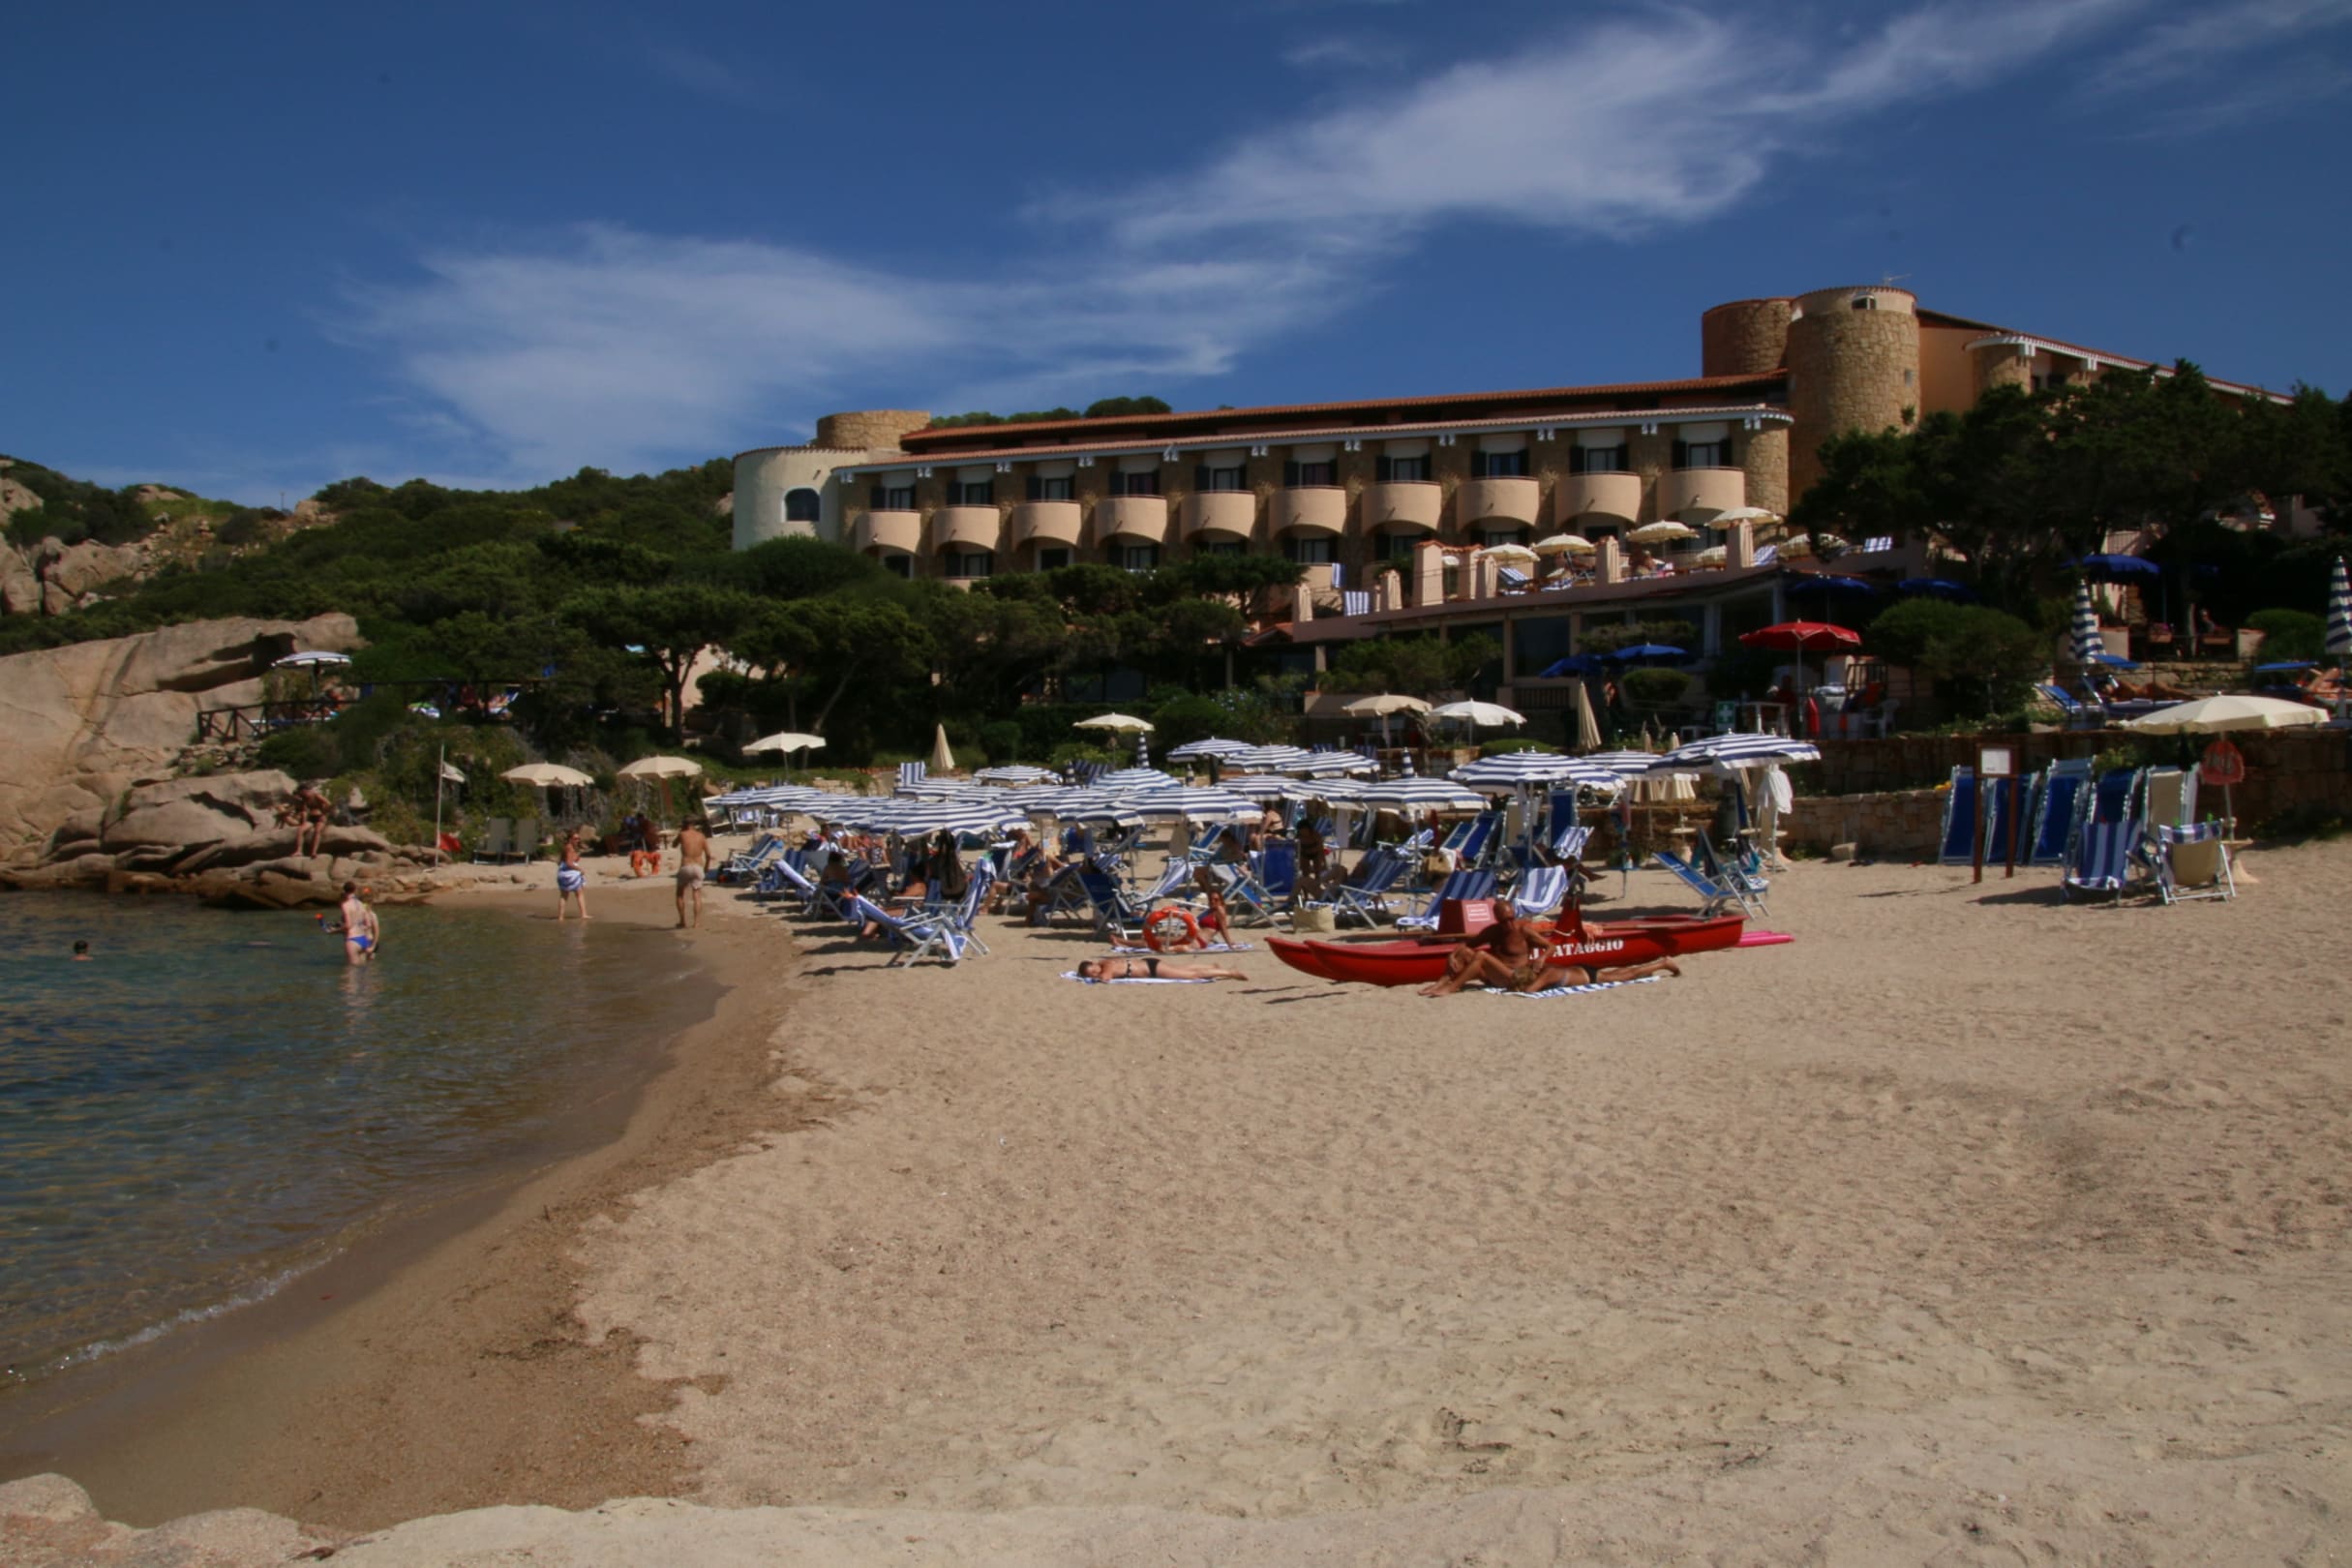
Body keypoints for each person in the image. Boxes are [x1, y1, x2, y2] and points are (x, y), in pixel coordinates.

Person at [1419, 899, 1677, 995]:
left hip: (1516, 975)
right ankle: (1441, 984)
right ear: (1497, 919)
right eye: (1504, 920)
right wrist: (1453, 953)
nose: (1509, 923)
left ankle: (1451, 988)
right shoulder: (1492, 931)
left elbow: (1549, 947)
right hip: (1504, 975)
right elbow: (1467, 945)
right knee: (1467, 953)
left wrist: (1541, 958)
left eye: (1511, 918)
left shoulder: (1523, 931)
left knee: (1618, 975)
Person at [1076, 955, 1249, 981]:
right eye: (1092, 974)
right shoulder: (1105, 961)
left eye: (1093, 971)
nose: (1095, 974)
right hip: (1149, 964)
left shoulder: (1106, 965)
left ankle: (1229, 972)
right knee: (1181, 968)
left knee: (1192, 975)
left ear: (1093, 964)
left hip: (1151, 969)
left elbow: (1106, 978)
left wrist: (1097, 977)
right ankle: (1211, 967)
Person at [675, 817, 711, 928]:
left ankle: (682, 921)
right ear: (694, 825)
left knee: (680, 894)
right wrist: (706, 867)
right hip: (698, 867)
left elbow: (673, 844)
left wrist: (681, 834)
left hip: (686, 866)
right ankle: (696, 922)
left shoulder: (682, 834)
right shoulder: (701, 836)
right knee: (697, 895)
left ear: (684, 825)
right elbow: (709, 855)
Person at [338, 881, 378, 965]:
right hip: (363, 939)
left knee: (352, 969)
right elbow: (368, 924)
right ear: (355, 890)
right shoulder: (360, 904)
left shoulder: (346, 905)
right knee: (365, 967)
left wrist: (336, 930)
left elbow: (348, 925)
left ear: (344, 891)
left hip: (352, 940)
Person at [557, 828, 591, 921]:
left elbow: (563, 861)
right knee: (579, 894)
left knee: (564, 896)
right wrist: (580, 869)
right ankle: (583, 914)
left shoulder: (567, 847)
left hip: (562, 872)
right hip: (570, 873)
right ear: (570, 839)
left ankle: (560, 917)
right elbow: (569, 863)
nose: (577, 840)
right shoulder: (570, 848)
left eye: (578, 838)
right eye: (575, 838)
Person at [293, 782, 331, 859]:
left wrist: (324, 814)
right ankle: (299, 851)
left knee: (317, 831)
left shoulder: (316, 795)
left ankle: (313, 852)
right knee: (300, 830)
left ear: (305, 790)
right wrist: (303, 822)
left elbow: (328, 803)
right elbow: (304, 811)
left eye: (301, 792)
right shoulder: (304, 799)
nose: (301, 794)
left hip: (320, 817)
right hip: (311, 818)